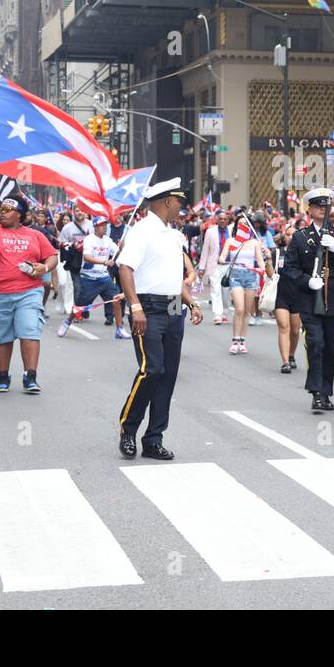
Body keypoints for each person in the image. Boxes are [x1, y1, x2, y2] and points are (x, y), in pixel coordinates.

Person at [115, 178, 203, 461]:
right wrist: (135, 306)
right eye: (179, 201)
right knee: (151, 369)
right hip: (149, 306)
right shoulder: (142, 231)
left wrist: (191, 301)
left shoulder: (173, 234)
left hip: (175, 305)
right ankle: (128, 429)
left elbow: (173, 277)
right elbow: (125, 268)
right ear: (167, 201)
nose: (181, 206)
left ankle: (154, 438)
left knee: (168, 373)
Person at [0, 194, 58, 394]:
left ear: (20, 214)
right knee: (1, 336)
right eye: (1, 208)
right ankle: (3, 376)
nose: (2, 212)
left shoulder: (35, 235)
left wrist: (44, 267)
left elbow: (52, 256)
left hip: (29, 292)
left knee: (29, 330)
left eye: (8, 210)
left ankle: (30, 376)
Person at [283, 188, 334, 412]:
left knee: (329, 347)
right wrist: (307, 281)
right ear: (309, 209)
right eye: (318, 206)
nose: (323, 210)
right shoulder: (300, 237)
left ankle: (325, 392)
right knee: (315, 342)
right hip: (310, 297)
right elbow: (290, 269)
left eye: (326, 207)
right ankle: (316, 392)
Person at [58, 215, 120, 337]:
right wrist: (104, 262)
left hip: (104, 278)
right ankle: (67, 322)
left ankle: (120, 328)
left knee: (116, 299)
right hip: (89, 279)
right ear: (96, 227)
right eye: (102, 225)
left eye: (105, 225)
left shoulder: (108, 240)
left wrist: (122, 247)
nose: (104, 227)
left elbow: (117, 252)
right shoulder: (89, 239)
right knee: (79, 307)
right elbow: (87, 257)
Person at [219, 213, 271, 354]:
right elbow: (222, 256)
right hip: (235, 277)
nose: (244, 226)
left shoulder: (254, 243)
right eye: (241, 224)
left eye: (246, 224)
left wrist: (264, 270)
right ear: (236, 226)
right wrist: (222, 258)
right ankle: (235, 340)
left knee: (247, 311)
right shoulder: (231, 241)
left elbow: (260, 261)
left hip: (251, 278)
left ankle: (242, 340)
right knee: (239, 309)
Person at [272, 224, 301, 373]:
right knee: (284, 326)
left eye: (293, 235)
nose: (290, 237)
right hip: (281, 295)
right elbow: (270, 273)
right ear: (284, 236)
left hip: (298, 295)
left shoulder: (303, 253)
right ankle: (285, 362)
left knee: (295, 331)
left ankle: (291, 355)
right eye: (288, 234)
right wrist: (267, 263)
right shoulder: (277, 253)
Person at [196, 210, 232, 324]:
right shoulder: (210, 232)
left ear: (228, 221)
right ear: (217, 219)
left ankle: (225, 312)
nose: (222, 221)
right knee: (215, 290)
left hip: (229, 265)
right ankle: (217, 315)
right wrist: (201, 267)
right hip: (214, 265)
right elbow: (205, 250)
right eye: (220, 218)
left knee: (225, 292)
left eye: (225, 219)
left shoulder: (232, 232)